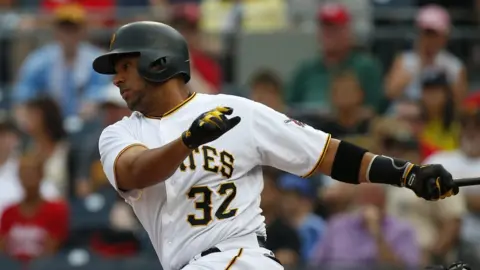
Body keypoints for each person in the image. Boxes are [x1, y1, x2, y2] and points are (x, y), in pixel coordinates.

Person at [93, 21, 459, 270]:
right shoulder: (120, 134)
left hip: (240, 256)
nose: (116, 79)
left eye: (125, 65)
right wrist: (189, 140)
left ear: (159, 62)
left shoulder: (236, 111)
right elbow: (136, 172)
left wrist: (408, 174)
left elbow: (327, 155)